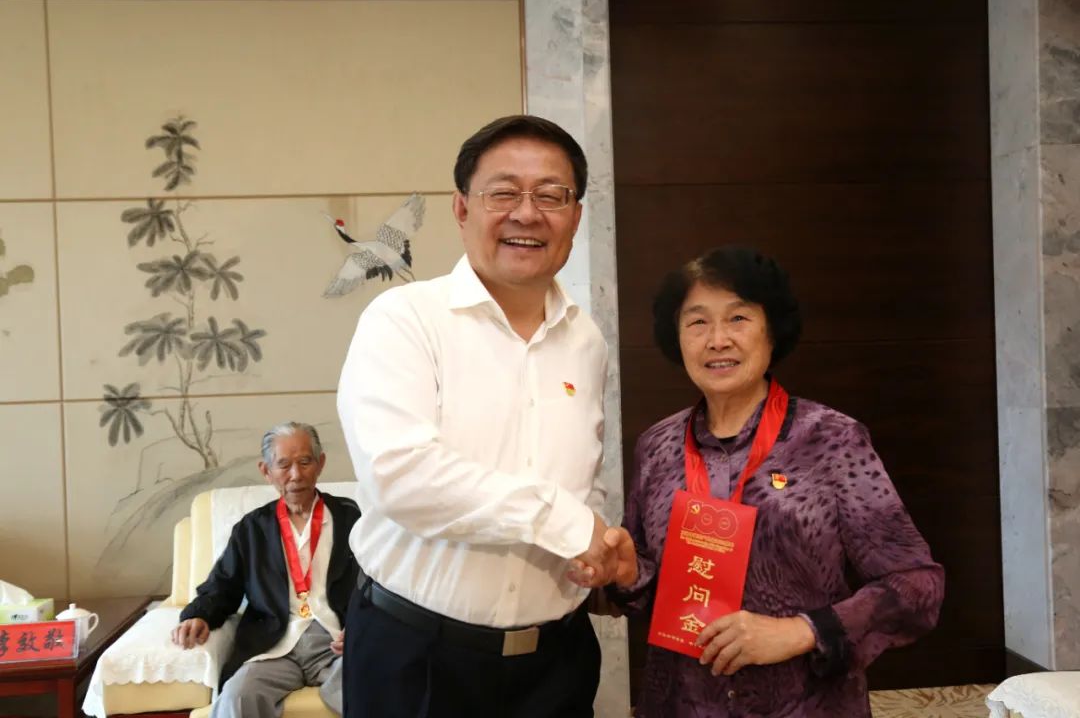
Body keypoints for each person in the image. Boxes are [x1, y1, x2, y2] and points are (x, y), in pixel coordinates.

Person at [336, 114, 636, 718]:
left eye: (551, 195)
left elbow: (579, 475)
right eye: (503, 193)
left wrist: (598, 544)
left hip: (556, 663)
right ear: (461, 208)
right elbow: (402, 477)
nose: (527, 214)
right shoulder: (404, 319)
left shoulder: (586, 340)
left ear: (576, 216)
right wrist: (567, 524)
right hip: (416, 661)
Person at [610, 246, 944, 717]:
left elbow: (917, 584)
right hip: (681, 704)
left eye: (738, 318)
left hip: (804, 705)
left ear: (772, 332)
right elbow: (658, 593)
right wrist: (628, 575)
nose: (717, 340)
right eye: (697, 322)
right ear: (676, 337)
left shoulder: (832, 439)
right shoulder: (656, 447)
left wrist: (803, 631)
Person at [171, 422, 361, 718]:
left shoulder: (351, 518)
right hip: (274, 645)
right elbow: (223, 586)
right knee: (238, 697)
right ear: (266, 470)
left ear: (320, 463)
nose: (296, 474)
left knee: (373, 685)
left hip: (335, 644)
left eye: (305, 462)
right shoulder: (251, 529)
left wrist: (361, 627)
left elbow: (376, 584)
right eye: (283, 465)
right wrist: (199, 615)